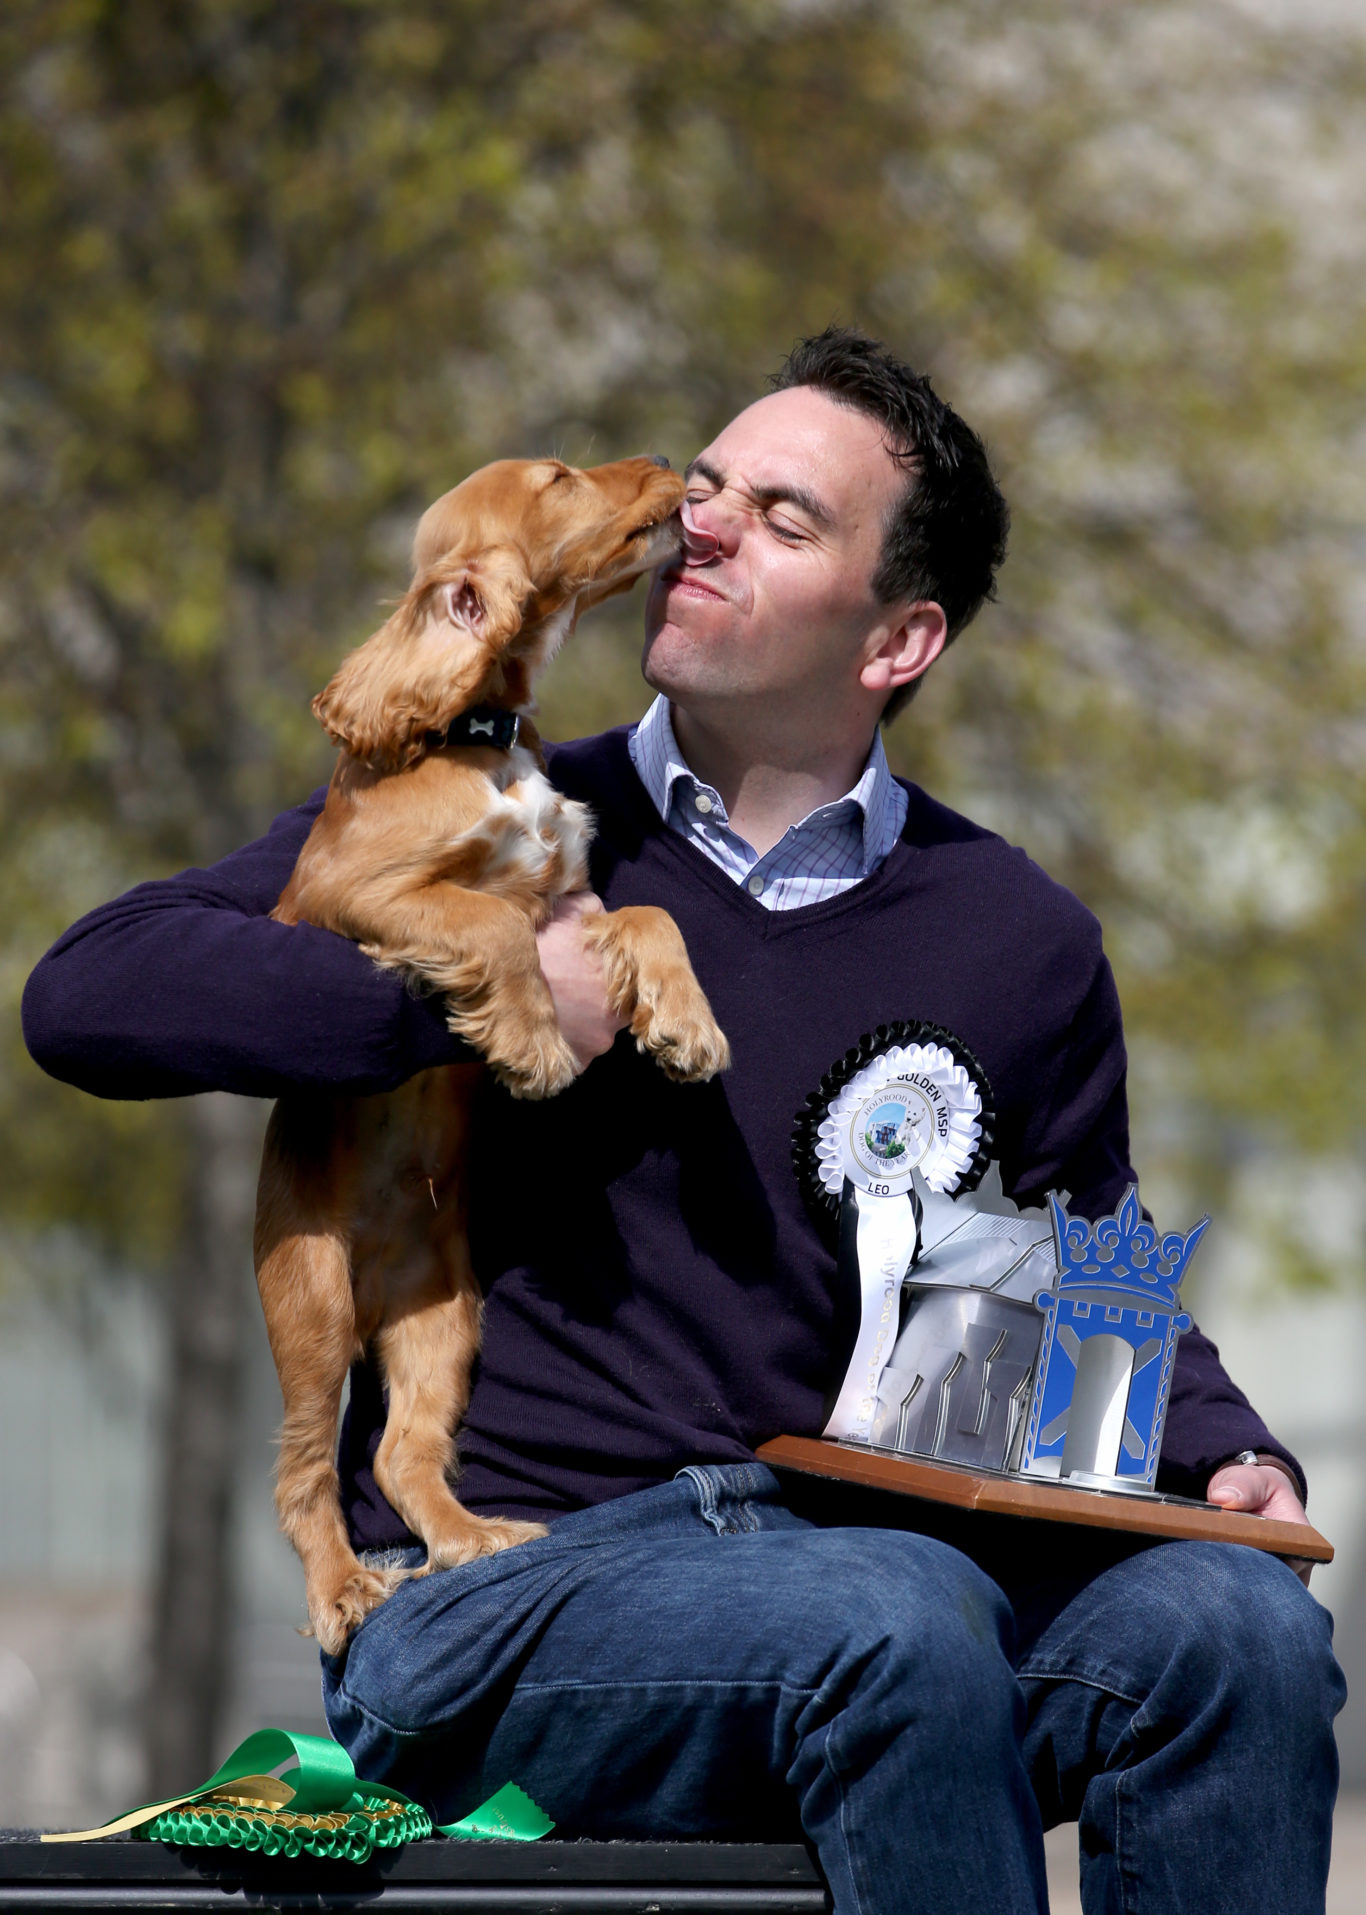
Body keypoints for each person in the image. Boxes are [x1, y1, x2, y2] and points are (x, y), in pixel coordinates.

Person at [23, 328, 1343, 1912]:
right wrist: (461, 999)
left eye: (784, 518)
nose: (702, 521)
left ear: (895, 639)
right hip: (506, 1590)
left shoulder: (1019, 932)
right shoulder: (485, 813)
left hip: (858, 1554)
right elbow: (91, 996)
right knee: (899, 1617)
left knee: (1236, 1636)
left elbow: (1084, 1242)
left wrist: (1216, 1449)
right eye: (706, 487)